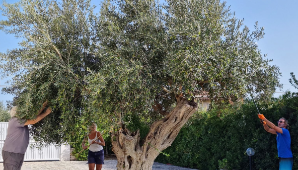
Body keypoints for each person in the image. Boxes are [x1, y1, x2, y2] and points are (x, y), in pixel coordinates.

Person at [2, 102, 52, 170]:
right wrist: (46, 113)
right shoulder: (15, 120)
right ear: (18, 113)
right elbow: (34, 121)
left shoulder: (19, 121)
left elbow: (34, 117)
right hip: (12, 153)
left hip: (16, 153)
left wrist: (44, 105)